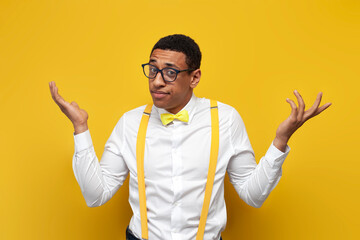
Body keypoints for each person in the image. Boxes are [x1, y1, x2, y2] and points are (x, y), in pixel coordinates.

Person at [49, 34, 331, 240]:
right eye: (153, 70)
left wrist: (280, 142)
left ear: (194, 77)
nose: (157, 81)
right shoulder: (130, 122)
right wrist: (81, 129)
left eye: (170, 72)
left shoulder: (226, 119)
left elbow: (252, 195)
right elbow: (95, 195)